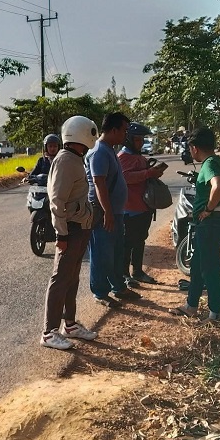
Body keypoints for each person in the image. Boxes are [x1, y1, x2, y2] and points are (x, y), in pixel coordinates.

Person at [41, 116, 99, 350]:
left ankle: (70, 325)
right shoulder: (65, 161)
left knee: (72, 278)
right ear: (81, 135)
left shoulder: (75, 159)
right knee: (60, 278)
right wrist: (61, 235)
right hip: (70, 229)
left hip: (80, 227)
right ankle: (48, 332)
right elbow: (56, 201)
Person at [173, 127, 220, 321]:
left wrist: (209, 208)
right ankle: (191, 306)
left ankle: (216, 313)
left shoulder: (209, 163)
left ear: (194, 148)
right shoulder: (219, 161)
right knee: (198, 266)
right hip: (217, 220)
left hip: (211, 222)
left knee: (210, 269)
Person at [86, 112, 137, 304]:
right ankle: (100, 293)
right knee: (101, 254)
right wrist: (107, 212)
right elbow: (99, 184)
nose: (126, 135)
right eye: (124, 130)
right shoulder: (99, 151)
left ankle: (119, 287)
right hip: (103, 213)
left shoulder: (109, 149)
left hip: (115, 212)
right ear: (114, 130)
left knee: (116, 252)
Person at [117, 122, 167, 287]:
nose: (141, 143)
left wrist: (154, 173)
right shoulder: (122, 158)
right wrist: (148, 173)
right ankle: (124, 274)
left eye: (142, 139)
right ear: (129, 140)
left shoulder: (139, 157)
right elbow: (125, 178)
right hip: (129, 209)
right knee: (126, 243)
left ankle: (137, 271)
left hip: (144, 207)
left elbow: (143, 177)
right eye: (138, 140)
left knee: (140, 240)